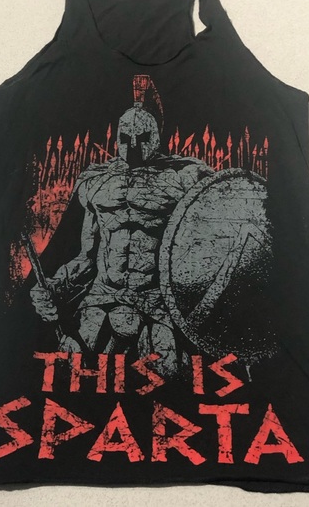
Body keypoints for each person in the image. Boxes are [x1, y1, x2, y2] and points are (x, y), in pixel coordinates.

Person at [30, 102, 213, 377]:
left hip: (156, 299)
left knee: (171, 377)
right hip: (103, 294)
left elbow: (209, 245)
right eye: (126, 139)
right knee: (70, 372)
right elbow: (86, 257)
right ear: (117, 137)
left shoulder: (185, 177)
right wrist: (55, 287)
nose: (133, 148)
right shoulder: (96, 181)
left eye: (142, 139)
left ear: (156, 137)